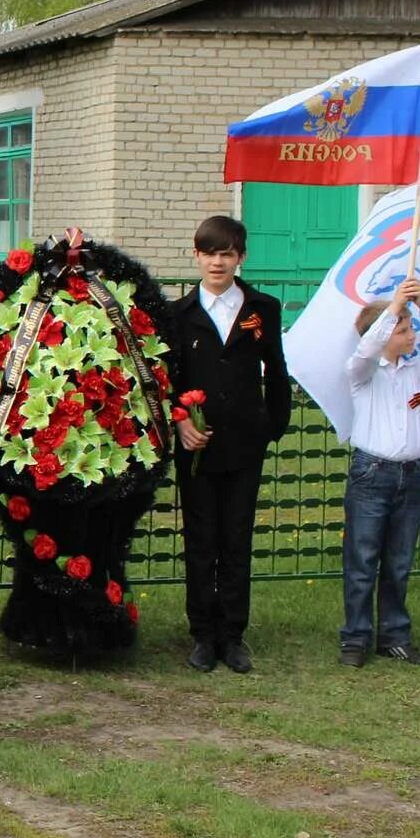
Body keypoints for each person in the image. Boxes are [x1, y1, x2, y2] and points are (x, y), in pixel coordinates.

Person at [167, 215, 290, 676]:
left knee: (236, 538)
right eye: (209, 252)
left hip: (244, 446)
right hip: (197, 447)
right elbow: (170, 381)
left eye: (227, 253)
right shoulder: (179, 315)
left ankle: (233, 634)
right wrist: (181, 423)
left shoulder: (264, 308)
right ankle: (202, 633)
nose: (217, 261)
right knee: (201, 539)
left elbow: (277, 374)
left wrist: (269, 428)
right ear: (196, 256)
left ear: (241, 258)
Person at [339, 276, 420, 668]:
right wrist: (392, 310)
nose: (411, 335)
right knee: (362, 560)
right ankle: (355, 638)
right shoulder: (362, 371)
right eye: (404, 330)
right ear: (384, 333)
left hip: (411, 475)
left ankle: (394, 636)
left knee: (399, 560)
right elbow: (368, 348)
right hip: (372, 474)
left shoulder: (417, 371)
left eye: (409, 328)